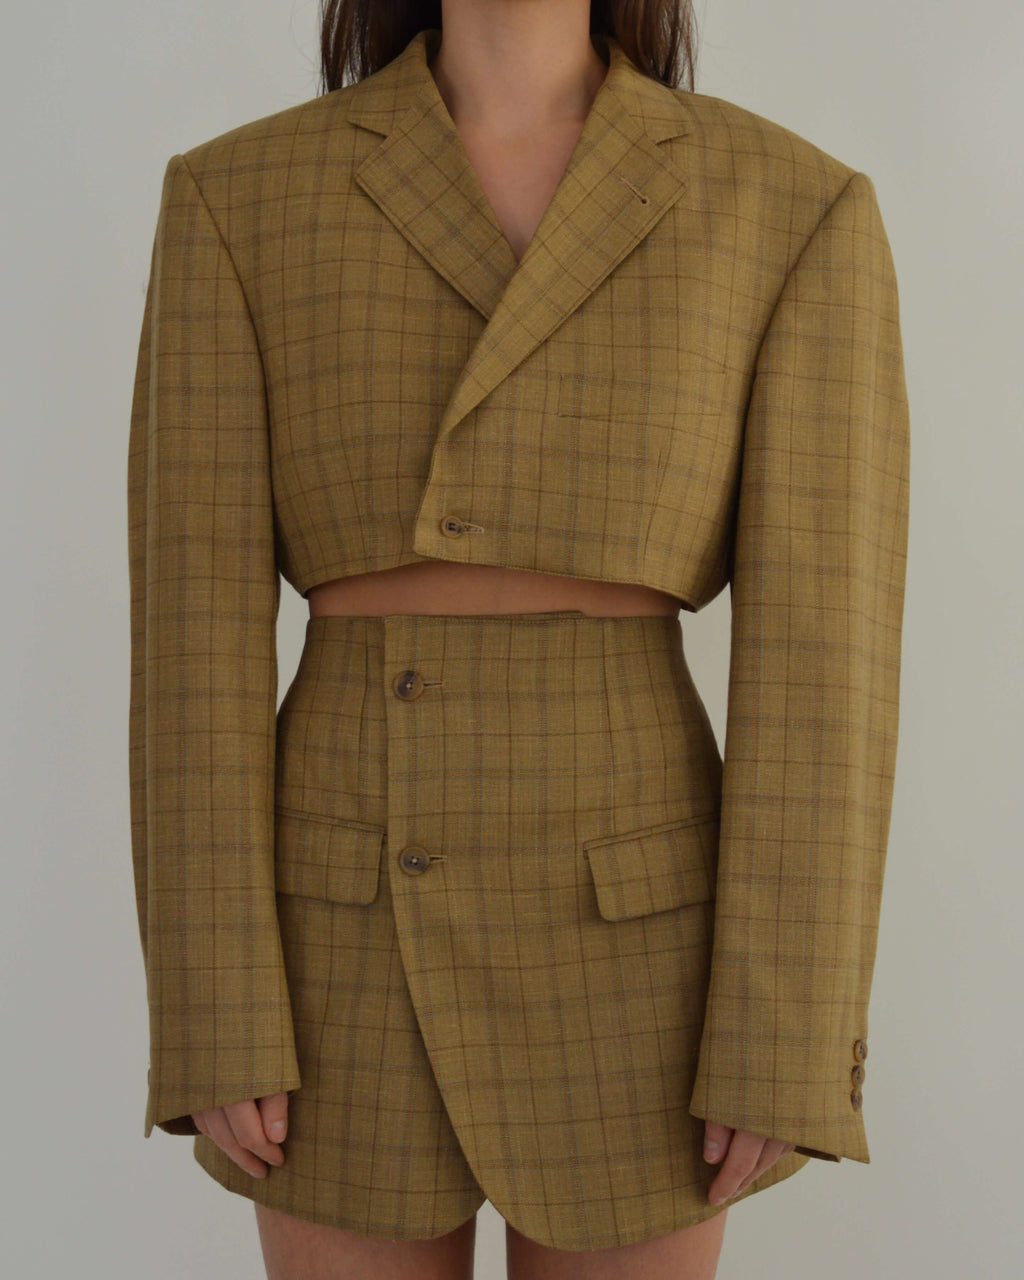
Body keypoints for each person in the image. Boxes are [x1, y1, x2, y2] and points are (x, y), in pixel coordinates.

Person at [126, 2, 910, 1277]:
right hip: (334, 938)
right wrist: (213, 1001)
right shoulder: (241, 194)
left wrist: (788, 1030)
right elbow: (188, 648)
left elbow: (827, 668)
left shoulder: (788, 203)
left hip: (647, 952)